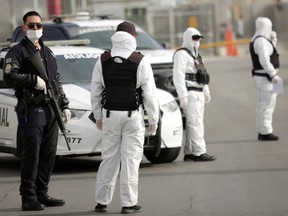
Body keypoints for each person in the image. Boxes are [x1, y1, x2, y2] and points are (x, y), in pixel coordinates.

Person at [3, 11, 71, 211]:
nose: (35, 29)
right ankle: (28, 197)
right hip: (32, 109)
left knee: (48, 153)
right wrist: (32, 79)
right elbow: (9, 77)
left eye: (38, 25)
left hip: (51, 108)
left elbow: (56, 80)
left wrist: (64, 104)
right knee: (31, 153)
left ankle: (42, 192)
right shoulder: (16, 52)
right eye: (31, 25)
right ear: (24, 27)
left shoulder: (47, 52)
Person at [90, 21, 159, 214]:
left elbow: (95, 91)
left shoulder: (102, 59)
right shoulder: (140, 60)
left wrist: (98, 116)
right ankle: (128, 204)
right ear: (134, 37)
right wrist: (153, 119)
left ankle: (101, 202)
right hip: (133, 116)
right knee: (131, 160)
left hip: (110, 115)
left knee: (108, 159)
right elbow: (150, 94)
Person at [173, 27, 216, 162]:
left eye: (199, 38)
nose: (197, 41)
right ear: (188, 38)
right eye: (194, 38)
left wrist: (206, 91)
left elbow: (202, 74)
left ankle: (190, 151)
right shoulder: (181, 55)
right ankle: (199, 152)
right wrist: (183, 96)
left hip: (199, 92)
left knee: (194, 123)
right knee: (195, 123)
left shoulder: (196, 55)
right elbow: (178, 76)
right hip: (190, 93)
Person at [249, 17, 281, 141]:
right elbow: (264, 60)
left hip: (270, 77)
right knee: (266, 104)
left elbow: (271, 52)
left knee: (268, 103)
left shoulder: (262, 40)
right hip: (267, 78)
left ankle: (263, 130)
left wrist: (273, 40)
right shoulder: (260, 41)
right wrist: (273, 75)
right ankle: (265, 132)